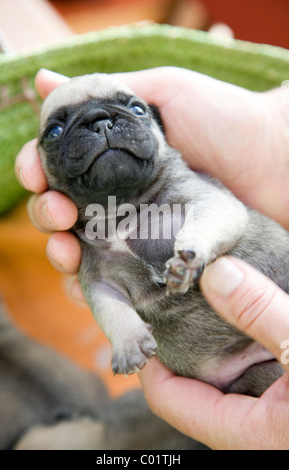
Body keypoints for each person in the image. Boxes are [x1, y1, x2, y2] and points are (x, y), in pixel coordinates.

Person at [15, 67, 289, 449]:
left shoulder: (179, 183)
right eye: (58, 132)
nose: (101, 127)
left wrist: (197, 243)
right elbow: (102, 291)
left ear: (161, 127)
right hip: (226, 380)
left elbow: (224, 212)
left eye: (132, 111)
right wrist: (125, 334)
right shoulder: (90, 239)